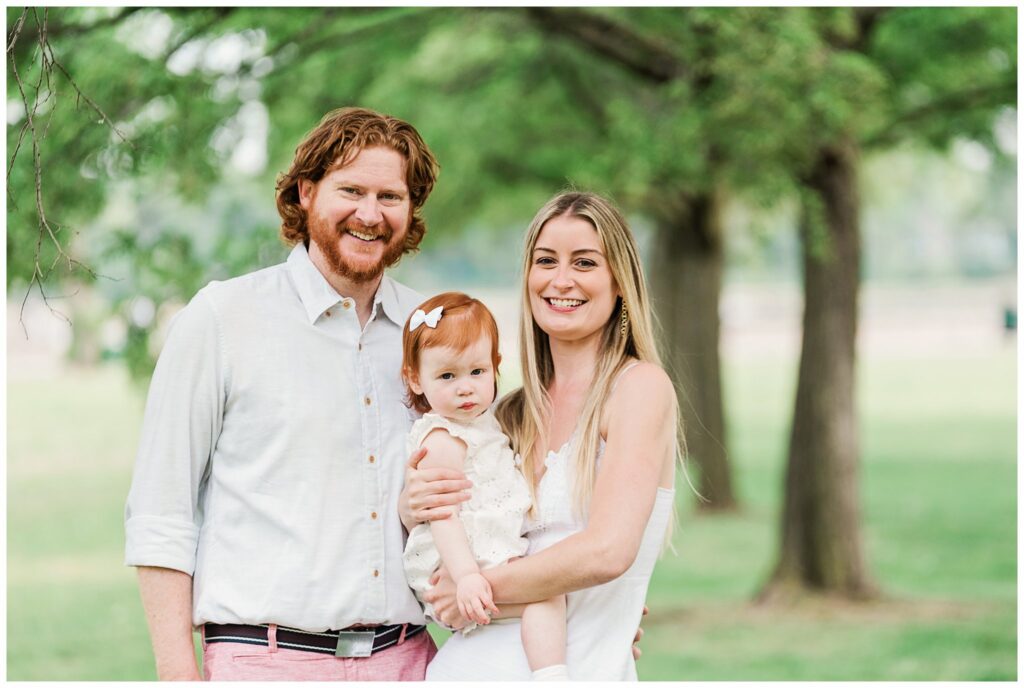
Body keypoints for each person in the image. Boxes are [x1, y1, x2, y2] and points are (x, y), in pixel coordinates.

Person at [123, 107, 454, 681]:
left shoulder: (429, 331)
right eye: (350, 190)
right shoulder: (223, 320)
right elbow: (161, 512)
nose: (369, 215)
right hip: (264, 663)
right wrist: (178, 673)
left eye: (390, 197)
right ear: (306, 192)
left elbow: (485, 485)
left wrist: (594, 608)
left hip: (411, 662)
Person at [402, 191, 679, 680]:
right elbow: (450, 541)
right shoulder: (502, 416)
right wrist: (414, 506)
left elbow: (608, 550)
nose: (561, 280)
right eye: (545, 260)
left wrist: (480, 585)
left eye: (585, 262)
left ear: (619, 281)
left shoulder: (639, 389)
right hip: (467, 668)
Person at [399, 292, 570, 681]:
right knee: (547, 594)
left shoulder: (486, 425)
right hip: (453, 566)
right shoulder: (443, 437)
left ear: (495, 366)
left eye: (477, 372)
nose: (465, 388)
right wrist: (467, 575)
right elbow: (442, 513)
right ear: (415, 378)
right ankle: (552, 677)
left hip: (480, 557)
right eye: (447, 376)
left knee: (552, 596)